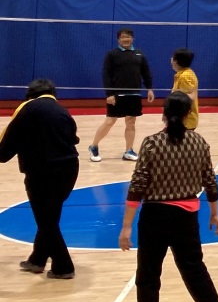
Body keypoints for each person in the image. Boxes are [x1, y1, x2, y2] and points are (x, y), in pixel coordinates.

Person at [117, 91, 218, 302]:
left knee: (148, 278)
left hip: (155, 217)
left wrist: (126, 226)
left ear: (163, 114)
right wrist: (215, 213)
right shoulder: (199, 142)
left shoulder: (152, 144)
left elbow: (137, 186)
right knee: (195, 270)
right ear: (188, 113)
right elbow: (210, 181)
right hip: (186, 217)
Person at [0, 79, 79, 279]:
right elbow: (74, 139)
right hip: (69, 171)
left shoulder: (27, 109)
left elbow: (5, 148)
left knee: (46, 222)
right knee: (49, 216)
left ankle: (63, 266)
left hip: (43, 173)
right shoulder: (63, 111)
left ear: (29, 95)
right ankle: (37, 259)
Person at [89, 28, 154, 162]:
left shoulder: (139, 54)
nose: (126, 39)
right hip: (117, 95)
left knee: (131, 123)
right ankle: (94, 146)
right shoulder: (112, 55)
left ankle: (128, 150)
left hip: (134, 94)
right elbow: (106, 75)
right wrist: (109, 94)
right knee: (110, 121)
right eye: (123, 37)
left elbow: (146, 72)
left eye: (128, 37)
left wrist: (149, 89)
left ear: (132, 38)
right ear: (118, 39)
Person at [170, 48, 199, 130]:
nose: (171, 59)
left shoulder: (185, 76)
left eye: (173, 57)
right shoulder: (183, 74)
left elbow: (187, 99)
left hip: (185, 121)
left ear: (176, 61)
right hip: (181, 119)